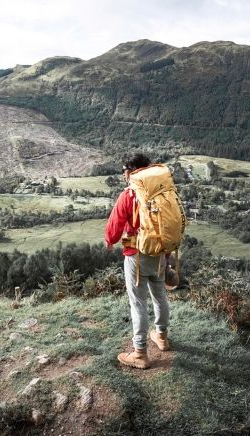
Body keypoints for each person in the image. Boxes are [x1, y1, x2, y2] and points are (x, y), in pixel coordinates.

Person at [105, 153, 170, 370]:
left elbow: (115, 223)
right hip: (160, 252)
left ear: (131, 171)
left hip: (137, 254)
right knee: (160, 296)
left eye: (124, 171)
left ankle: (140, 352)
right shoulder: (162, 191)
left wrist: (110, 240)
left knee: (138, 302)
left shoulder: (130, 194)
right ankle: (161, 336)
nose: (123, 175)